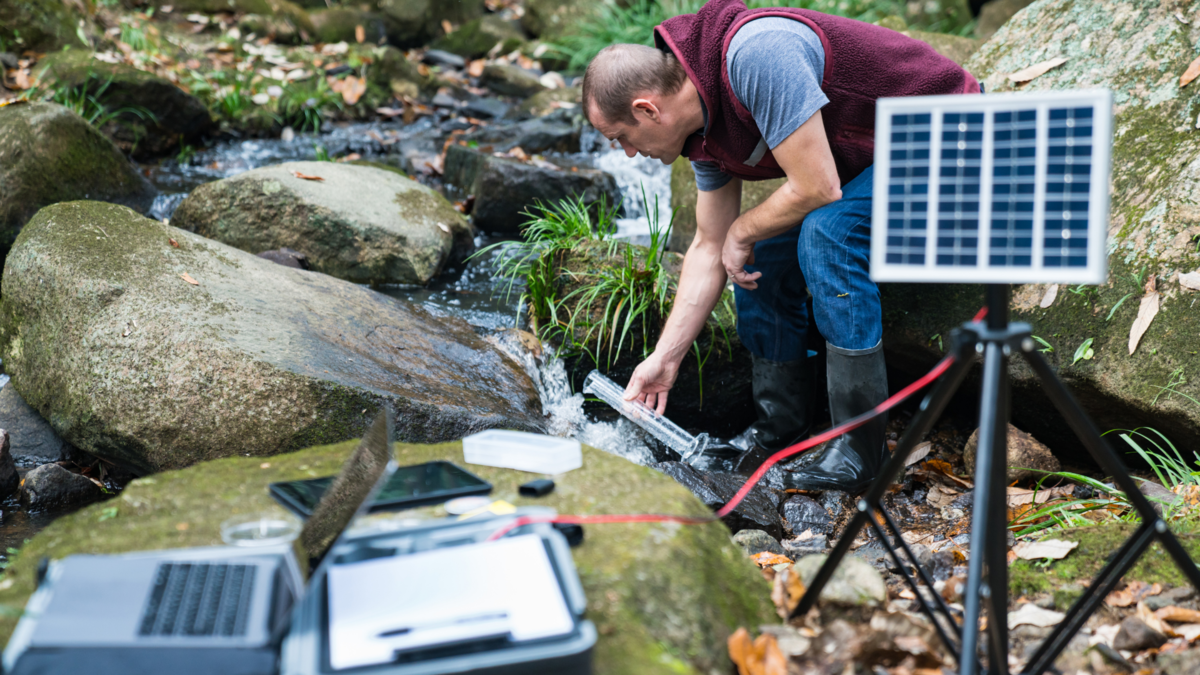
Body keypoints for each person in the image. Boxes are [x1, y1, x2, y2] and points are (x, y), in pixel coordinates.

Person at [581, 0, 979, 492]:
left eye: (621, 137)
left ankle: (861, 449)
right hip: (872, 165)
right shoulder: (702, 132)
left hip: (953, 134)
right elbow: (710, 246)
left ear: (648, 109)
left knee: (827, 232)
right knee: (763, 257)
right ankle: (781, 434)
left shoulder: (757, 55)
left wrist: (744, 230)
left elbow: (817, 187)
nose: (626, 153)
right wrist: (666, 358)